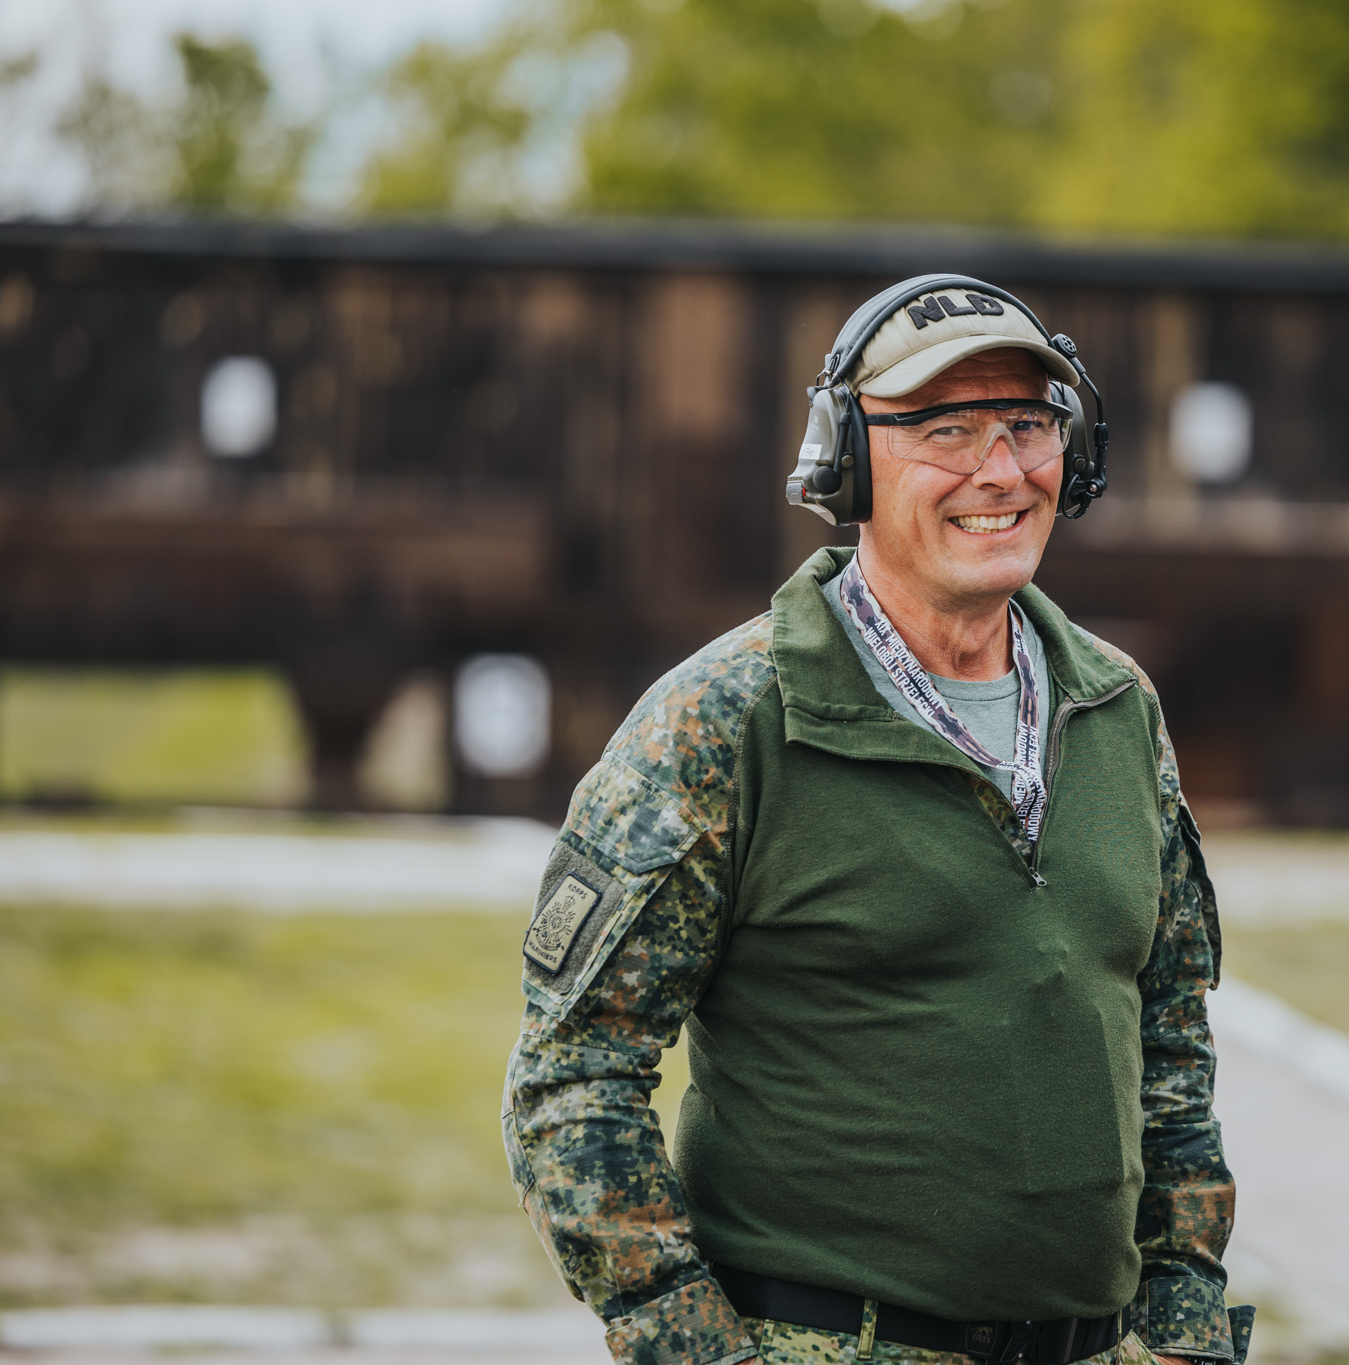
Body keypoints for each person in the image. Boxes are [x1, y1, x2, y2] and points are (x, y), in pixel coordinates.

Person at [502, 275, 1253, 1365]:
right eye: (945, 429)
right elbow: (573, 1076)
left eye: (1028, 425)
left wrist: (1185, 1330)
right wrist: (696, 1348)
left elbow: (1171, 1048)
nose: (999, 470)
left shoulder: (1116, 708)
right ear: (849, 461)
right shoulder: (726, 722)